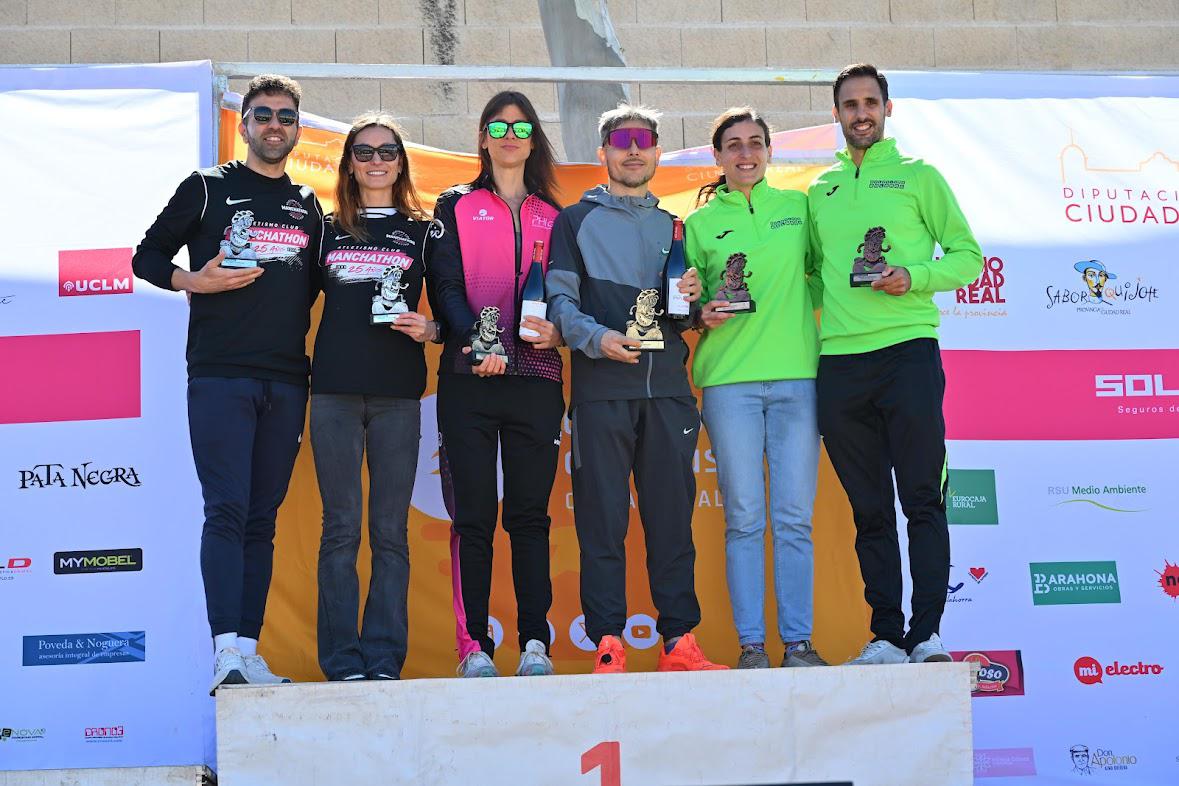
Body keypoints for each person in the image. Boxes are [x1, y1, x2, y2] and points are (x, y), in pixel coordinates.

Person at [131, 74, 323, 693]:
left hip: (289, 379)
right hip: (219, 374)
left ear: (297, 129)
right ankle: (222, 655)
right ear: (243, 124)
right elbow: (145, 256)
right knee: (227, 509)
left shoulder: (309, 204)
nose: (274, 125)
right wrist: (194, 281)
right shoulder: (207, 188)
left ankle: (247, 649)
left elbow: (326, 284)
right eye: (263, 114)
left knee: (262, 517)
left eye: (286, 117)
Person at [808, 64, 982, 665]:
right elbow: (809, 277)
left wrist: (916, 278)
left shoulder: (919, 176)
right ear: (835, 114)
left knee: (921, 501)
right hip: (840, 365)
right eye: (850, 104)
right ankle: (884, 634)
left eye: (870, 102)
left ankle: (927, 633)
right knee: (870, 510)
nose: (861, 113)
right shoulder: (818, 190)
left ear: (888, 108)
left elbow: (968, 258)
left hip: (907, 353)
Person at [547, 104, 726, 674]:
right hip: (602, 389)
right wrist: (597, 340)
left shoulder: (675, 225)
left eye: (643, 141)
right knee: (602, 523)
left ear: (656, 153)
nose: (632, 150)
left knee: (672, 522)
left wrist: (697, 304)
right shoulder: (574, 221)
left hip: (670, 390)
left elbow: (684, 313)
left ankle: (681, 644)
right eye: (621, 140)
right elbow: (559, 302)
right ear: (603, 153)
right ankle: (608, 645)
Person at [428, 91, 565, 678]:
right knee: (475, 518)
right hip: (469, 381)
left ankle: (536, 642)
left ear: (533, 139)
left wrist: (559, 332)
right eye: (498, 126)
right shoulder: (453, 203)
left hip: (537, 381)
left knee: (530, 517)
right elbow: (447, 287)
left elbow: (566, 296)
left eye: (521, 125)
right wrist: (476, 343)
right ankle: (474, 647)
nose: (510, 134)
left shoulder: (557, 215)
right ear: (483, 138)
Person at [686, 107, 826, 670]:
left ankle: (798, 643)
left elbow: (824, 275)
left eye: (756, 143)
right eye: (734, 145)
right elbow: (684, 302)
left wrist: (793, 303)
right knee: (744, 516)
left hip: (798, 378)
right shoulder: (696, 224)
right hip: (728, 382)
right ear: (716, 156)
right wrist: (700, 313)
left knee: (794, 517)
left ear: (770, 151)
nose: (746, 153)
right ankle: (751, 647)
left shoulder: (799, 207)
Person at [312, 113, 441, 682]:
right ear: (349, 163)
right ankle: (342, 660)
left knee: (390, 532)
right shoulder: (326, 228)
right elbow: (284, 301)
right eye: (363, 152)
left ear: (401, 160)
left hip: (397, 397)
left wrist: (432, 331)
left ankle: (385, 657)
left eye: (387, 151)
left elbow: (456, 310)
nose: (376, 161)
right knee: (340, 528)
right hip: (333, 394)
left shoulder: (424, 229)